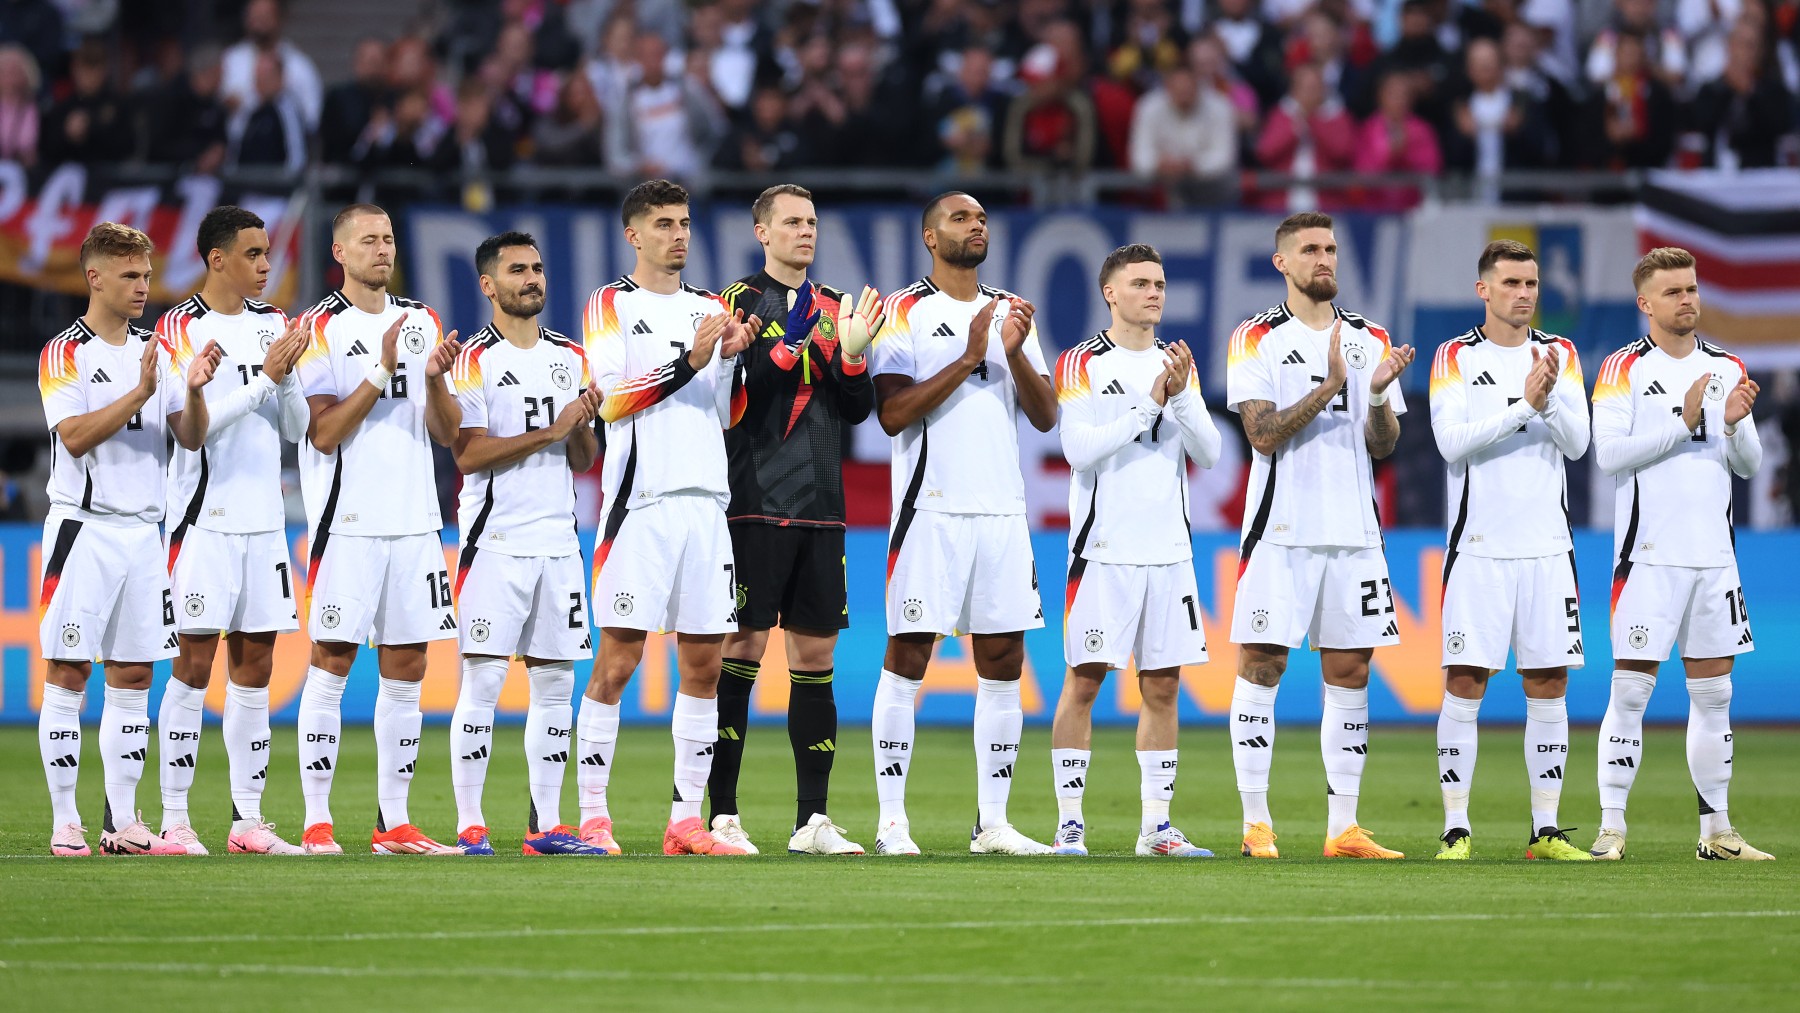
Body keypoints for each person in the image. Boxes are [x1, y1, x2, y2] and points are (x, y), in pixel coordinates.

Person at [868, 191, 1059, 857]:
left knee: (1004, 659)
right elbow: (892, 415)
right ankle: (893, 821)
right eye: (960, 218)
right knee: (910, 654)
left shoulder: (1011, 310)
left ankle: (995, 823)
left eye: (981, 218)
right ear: (930, 236)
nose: (975, 226)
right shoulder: (903, 311)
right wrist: (967, 353)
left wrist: (1012, 351)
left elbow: (1044, 414)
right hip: (931, 508)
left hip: (1002, 509)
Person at [1224, 211, 1415, 861]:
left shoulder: (1370, 337)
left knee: (1351, 668)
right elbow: (1261, 432)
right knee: (1263, 663)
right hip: (1281, 530)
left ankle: (1343, 828)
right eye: (1309, 249)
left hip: (1355, 531)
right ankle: (1257, 823)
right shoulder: (1256, 337)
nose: (1324, 258)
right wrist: (1332, 386)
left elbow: (1382, 446)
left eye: (1331, 247)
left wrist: (1380, 397)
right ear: (1282, 262)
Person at [576, 179, 757, 857]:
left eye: (683, 223)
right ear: (634, 235)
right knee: (618, 661)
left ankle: (686, 820)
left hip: (707, 504)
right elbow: (610, 401)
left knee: (705, 665)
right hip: (641, 506)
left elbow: (724, 414)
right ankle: (594, 816)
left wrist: (732, 363)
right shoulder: (611, 305)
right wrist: (691, 360)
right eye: (663, 224)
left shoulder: (710, 308)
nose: (678, 234)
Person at [707, 184, 882, 856]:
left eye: (811, 221)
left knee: (815, 658)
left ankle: (813, 820)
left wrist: (857, 358)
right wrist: (786, 346)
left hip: (821, 508)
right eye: (791, 222)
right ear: (762, 232)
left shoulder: (837, 306)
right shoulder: (734, 303)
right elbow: (736, 391)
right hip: (751, 500)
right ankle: (722, 811)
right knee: (743, 649)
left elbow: (856, 410)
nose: (804, 232)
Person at [37, 222, 216, 856]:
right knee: (68, 670)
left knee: (134, 674)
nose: (144, 287)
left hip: (145, 531)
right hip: (83, 528)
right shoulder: (65, 353)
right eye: (131, 276)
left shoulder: (159, 351)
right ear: (95, 277)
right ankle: (66, 822)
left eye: (146, 274)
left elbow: (190, 437)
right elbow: (75, 436)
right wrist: (140, 391)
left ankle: (122, 822)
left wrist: (191, 391)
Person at [1589, 247, 1772, 861]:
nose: (1687, 300)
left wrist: (1734, 422)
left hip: (1715, 559)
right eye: (1672, 292)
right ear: (1645, 303)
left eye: (1691, 289)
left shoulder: (1726, 363)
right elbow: (1607, 455)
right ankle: (1611, 826)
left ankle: (1717, 832)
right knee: (1632, 692)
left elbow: (1748, 466)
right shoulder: (1622, 369)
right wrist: (1684, 417)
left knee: (1715, 696)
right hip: (1648, 557)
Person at [292, 204, 464, 856]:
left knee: (408, 667)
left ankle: (393, 822)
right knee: (332, 661)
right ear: (340, 250)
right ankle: (315, 821)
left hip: (416, 521)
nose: (382, 248)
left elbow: (445, 432)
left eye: (388, 237)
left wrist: (435, 379)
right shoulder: (317, 327)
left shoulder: (421, 320)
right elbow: (324, 430)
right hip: (350, 522)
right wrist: (381, 367)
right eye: (368, 239)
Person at [1047, 244, 1222, 859]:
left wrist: (1177, 396)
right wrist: (1149, 402)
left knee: (1164, 687)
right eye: (1141, 283)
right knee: (1086, 681)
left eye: (1161, 284)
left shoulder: (1179, 365)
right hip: (1104, 550)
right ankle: (1070, 824)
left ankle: (1157, 830)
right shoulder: (1081, 363)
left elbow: (1209, 453)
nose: (1154, 293)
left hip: (1170, 553)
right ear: (1110, 293)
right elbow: (1078, 451)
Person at [1426, 240, 1592, 862]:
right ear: (1484, 290)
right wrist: (1525, 403)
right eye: (1512, 282)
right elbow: (1450, 443)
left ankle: (1545, 830)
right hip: (1479, 548)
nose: (1524, 293)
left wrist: (1545, 402)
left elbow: (1578, 446)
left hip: (1548, 550)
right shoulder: (1455, 357)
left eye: (1532, 283)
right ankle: (1456, 827)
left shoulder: (1561, 353)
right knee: (1466, 682)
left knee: (1548, 684)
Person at [446, 232, 606, 857]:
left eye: (538, 268)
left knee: (556, 683)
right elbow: (468, 453)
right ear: (488, 285)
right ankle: (469, 824)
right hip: (496, 541)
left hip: (559, 542)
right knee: (483, 681)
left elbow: (583, 456)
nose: (532, 278)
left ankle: (546, 825)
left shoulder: (571, 355)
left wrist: (580, 426)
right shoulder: (474, 360)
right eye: (517, 270)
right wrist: (552, 430)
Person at [156, 206, 310, 856]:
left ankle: (248, 820)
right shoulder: (177, 328)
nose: (266, 265)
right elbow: (189, 428)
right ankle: (174, 819)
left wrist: (290, 376)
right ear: (217, 258)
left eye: (268, 252)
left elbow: (299, 429)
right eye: (253, 254)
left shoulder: (275, 324)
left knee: (256, 666)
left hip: (263, 525)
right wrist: (265, 381)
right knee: (193, 665)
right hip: (204, 524)